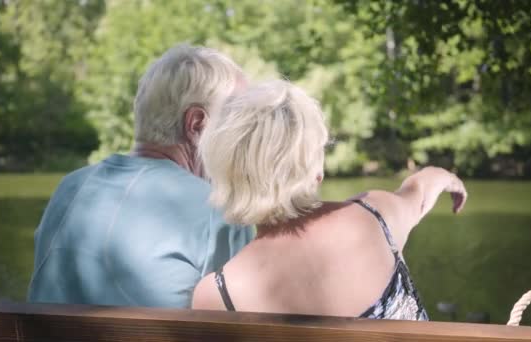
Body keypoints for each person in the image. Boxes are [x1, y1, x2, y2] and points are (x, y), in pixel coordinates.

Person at [192, 80, 467, 320]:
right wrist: (447, 178)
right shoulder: (374, 218)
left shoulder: (217, 294)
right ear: (316, 171)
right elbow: (418, 192)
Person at [27, 44, 254, 308]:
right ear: (197, 125)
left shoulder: (71, 187)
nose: (243, 141)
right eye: (238, 125)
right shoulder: (219, 210)